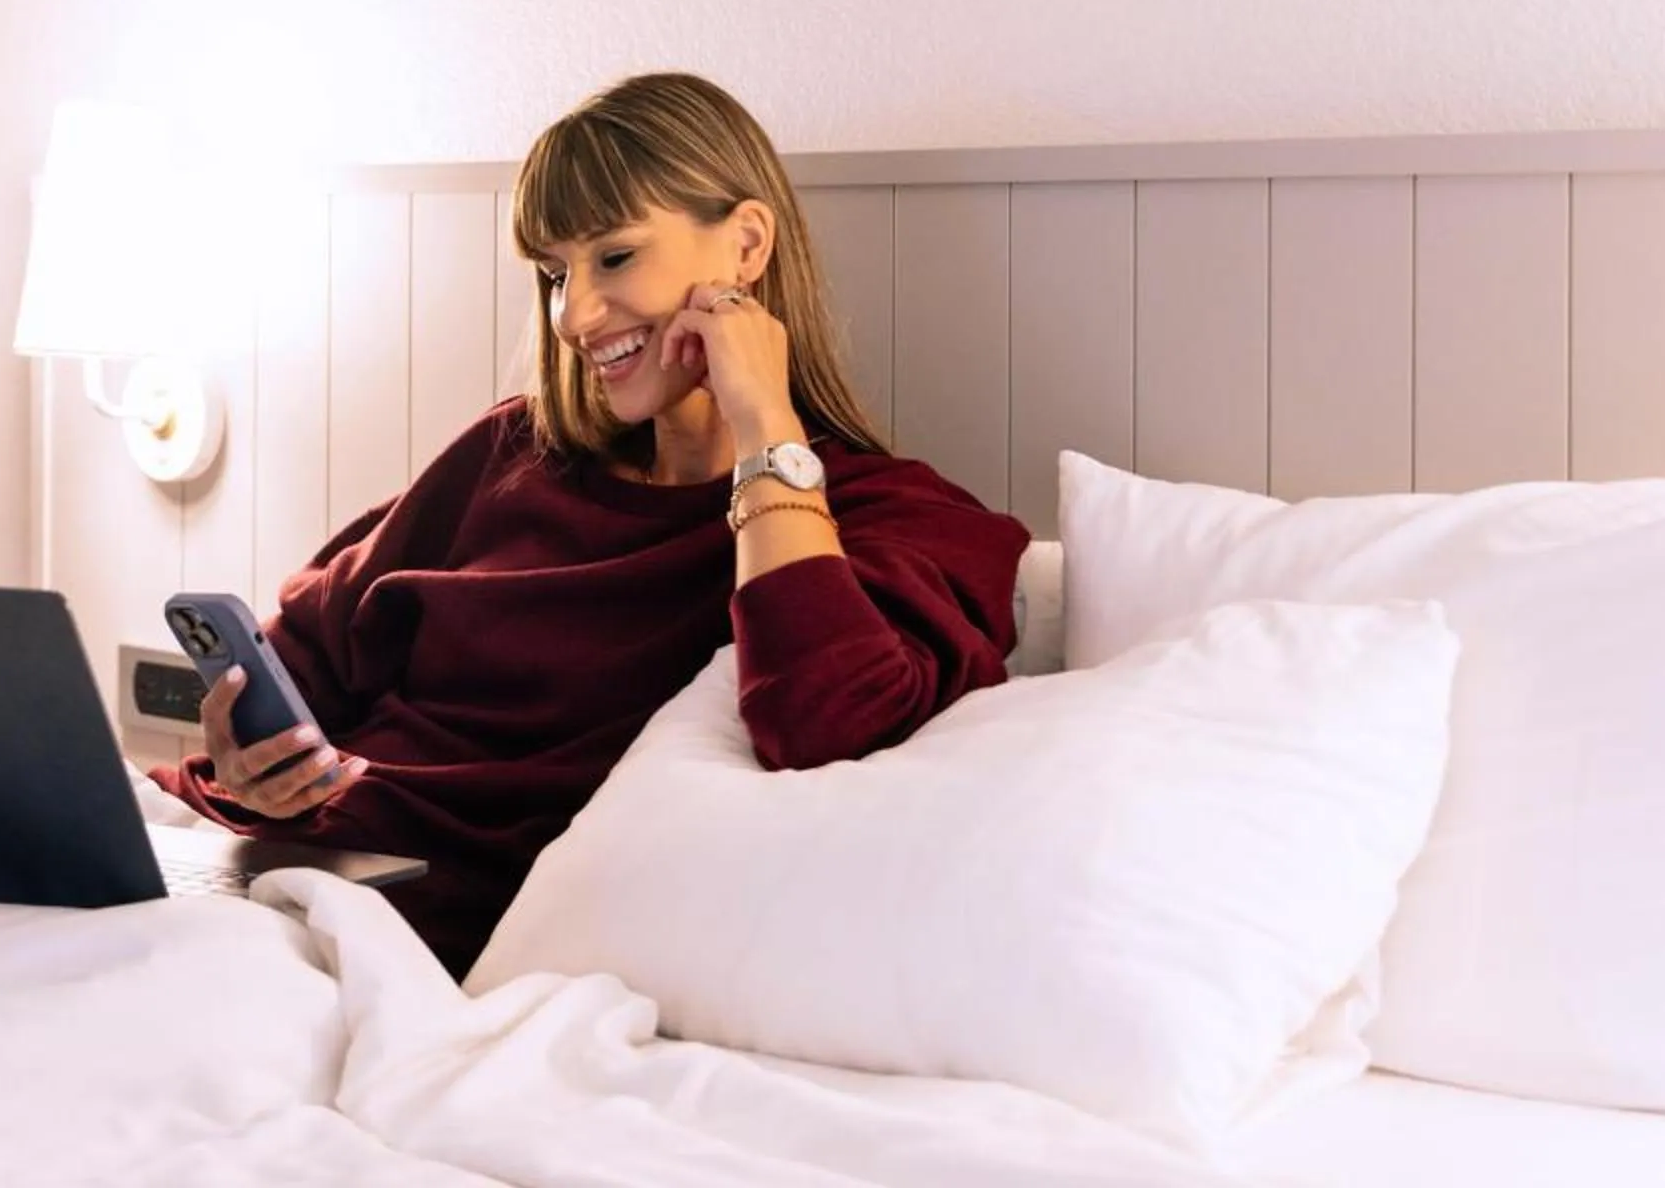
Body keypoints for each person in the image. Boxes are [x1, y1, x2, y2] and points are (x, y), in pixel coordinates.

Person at [150, 72, 1028, 977]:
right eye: (555, 272)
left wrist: (765, 418)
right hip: (248, 867)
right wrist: (244, 757)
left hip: (395, 937)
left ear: (746, 245)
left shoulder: (892, 520)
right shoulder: (509, 456)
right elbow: (302, 661)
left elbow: (820, 721)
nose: (574, 314)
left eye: (614, 257)